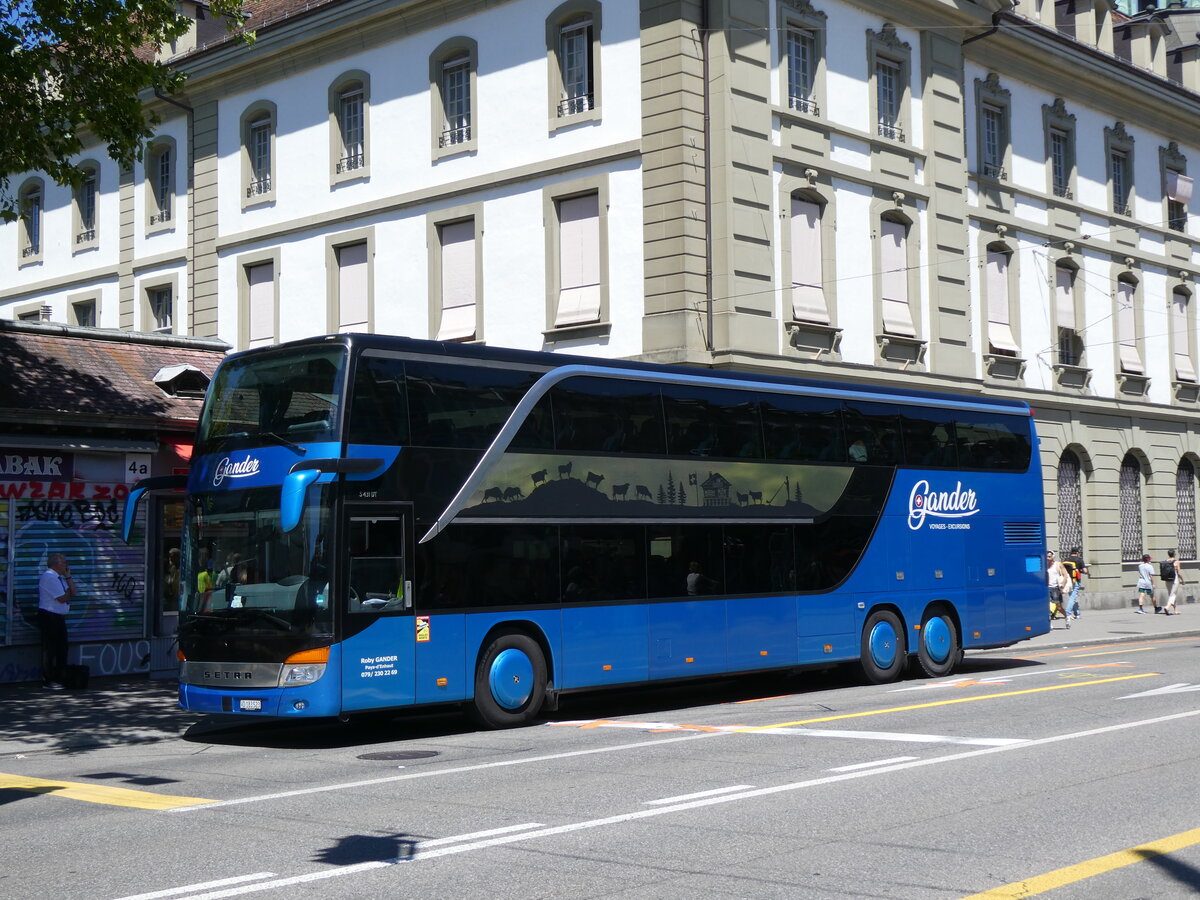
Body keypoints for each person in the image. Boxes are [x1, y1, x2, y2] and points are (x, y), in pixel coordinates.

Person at [37, 552, 76, 690]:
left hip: (58, 617)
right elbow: (62, 598)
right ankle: (48, 680)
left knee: (62, 648)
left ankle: (60, 677)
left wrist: (68, 577)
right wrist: (68, 593)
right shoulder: (50, 577)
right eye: (64, 562)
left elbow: (73, 592)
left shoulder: (59, 577)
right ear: (57, 564)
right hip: (49, 617)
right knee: (50, 649)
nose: (66, 565)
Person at [1046, 550, 1070, 628]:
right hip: (1047, 588)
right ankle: (1049, 624)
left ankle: (1067, 617)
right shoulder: (1044, 565)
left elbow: (1065, 575)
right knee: (1048, 606)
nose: (1047, 558)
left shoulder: (1058, 564)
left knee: (1059, 607)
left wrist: (1062, 586)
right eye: (1046, 556)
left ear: (1053, 557)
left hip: (1056, 588)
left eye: (1049, 556)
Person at [1063, 547, 1088, 620]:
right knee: (1073, 597)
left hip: (1067, 580)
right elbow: (1085, 570)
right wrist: (1082, 570)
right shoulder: (1079, 560)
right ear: (1077, 553)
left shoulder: (1066, 560)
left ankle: (1077, 613)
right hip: (1075, 580)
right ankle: (1067, 613)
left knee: (1072, 596)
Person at [1162, 549, 1186, 615]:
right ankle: (1167, 607)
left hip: (1167, 580)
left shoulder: (1165, 561)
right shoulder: (1176, 562)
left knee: (1171, 594)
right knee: (1173, 595)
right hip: (1174, 580)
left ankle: (1175, 610)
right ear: (1174, 554)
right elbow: (1179, 573)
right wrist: (1182, 580)